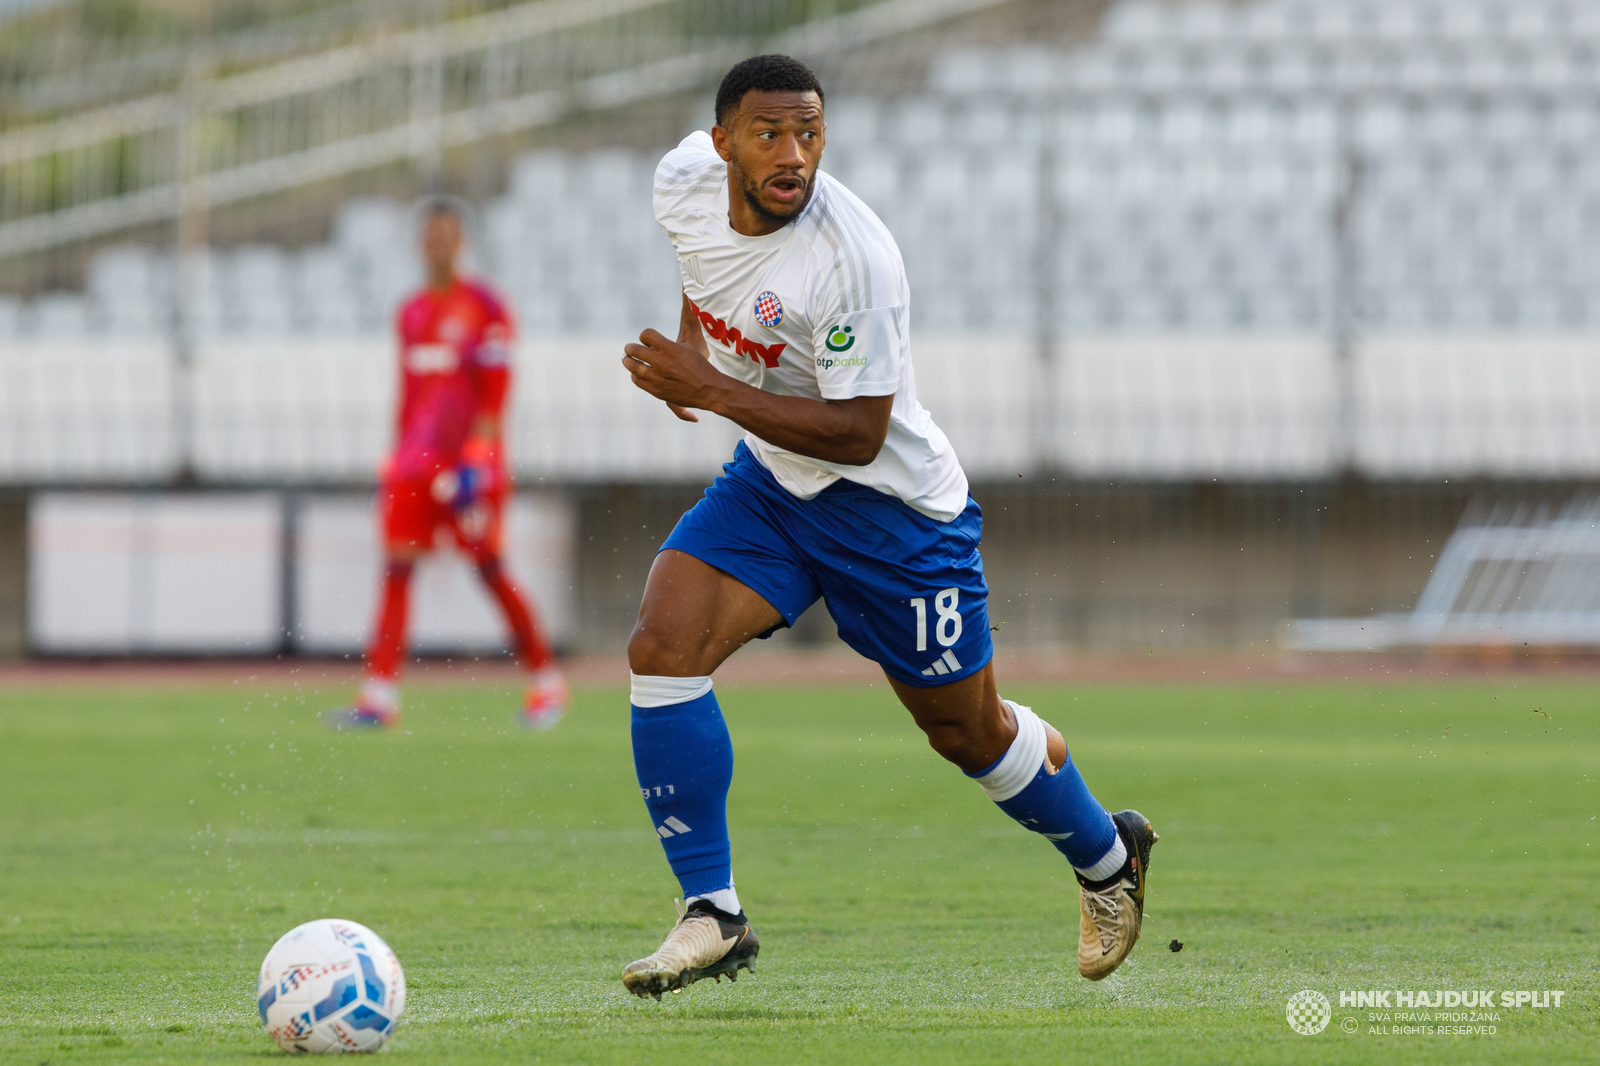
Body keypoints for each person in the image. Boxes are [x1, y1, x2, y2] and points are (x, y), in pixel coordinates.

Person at [616, 55, 1156, 999]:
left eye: (810, 134)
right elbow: (706, 273)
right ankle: (714, 911)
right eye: (769, 135)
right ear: (721, 145)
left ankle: (1110, 859)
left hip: (894, 515)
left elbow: (860, 432)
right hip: (777, 490)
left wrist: (707, 386)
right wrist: (696, 347)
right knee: (663, 645)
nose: (793, 155)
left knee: (968, 736)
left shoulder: (852, 258)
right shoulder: (682, 183)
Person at [329, 199, 567, 731]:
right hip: (414, 467)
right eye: (429, 235)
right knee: (396, 569)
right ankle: (378, 697)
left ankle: (547, 684)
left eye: (446, 235)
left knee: (490, 570)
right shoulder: (410, 311)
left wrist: (479, 458)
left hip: (465, 467)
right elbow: (409, 396)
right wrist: (394, 458)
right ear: (419, 244)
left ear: (462, 242)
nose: (437, 244)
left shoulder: (485, 307)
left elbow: (495, 391)